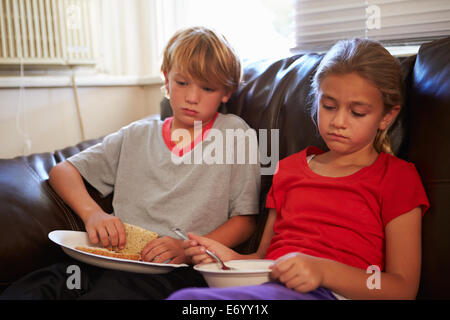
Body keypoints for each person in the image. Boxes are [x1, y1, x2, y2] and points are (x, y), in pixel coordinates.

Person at [1, 26, 260, 300]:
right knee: (32, 289)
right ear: (166, 79)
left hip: (170, 270)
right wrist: (93, 214)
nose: (192, 97)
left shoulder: (235, 134)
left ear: (226, 93)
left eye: (207, 88)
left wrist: (186, 248)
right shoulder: (137, 134)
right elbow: (63, 171)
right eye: (182, 83)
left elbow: (245, 221)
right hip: (103, 258)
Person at [167, 38, 430, 300]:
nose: (338, 121)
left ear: (387, 116)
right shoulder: (289, 170)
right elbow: (262, 258)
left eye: (357, 112)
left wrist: (322, 271)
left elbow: (402, 288)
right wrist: (223, 256)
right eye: (329, 106)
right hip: (269, 288)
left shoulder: (396, 177)